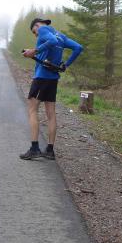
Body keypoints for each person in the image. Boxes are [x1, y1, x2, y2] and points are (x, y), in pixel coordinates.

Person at [20, 18, 83, 160]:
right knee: (51, 114)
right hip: (53, 79)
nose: (36, 35)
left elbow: (51, 42)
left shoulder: (43, 30)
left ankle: (34, 149)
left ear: (37, 25)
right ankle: (49, 150)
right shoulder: (61, 36)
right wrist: (66, 65)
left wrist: (34, 51)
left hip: (41, 77)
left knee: (32, 110)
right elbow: (79, 48)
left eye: (34, 32)